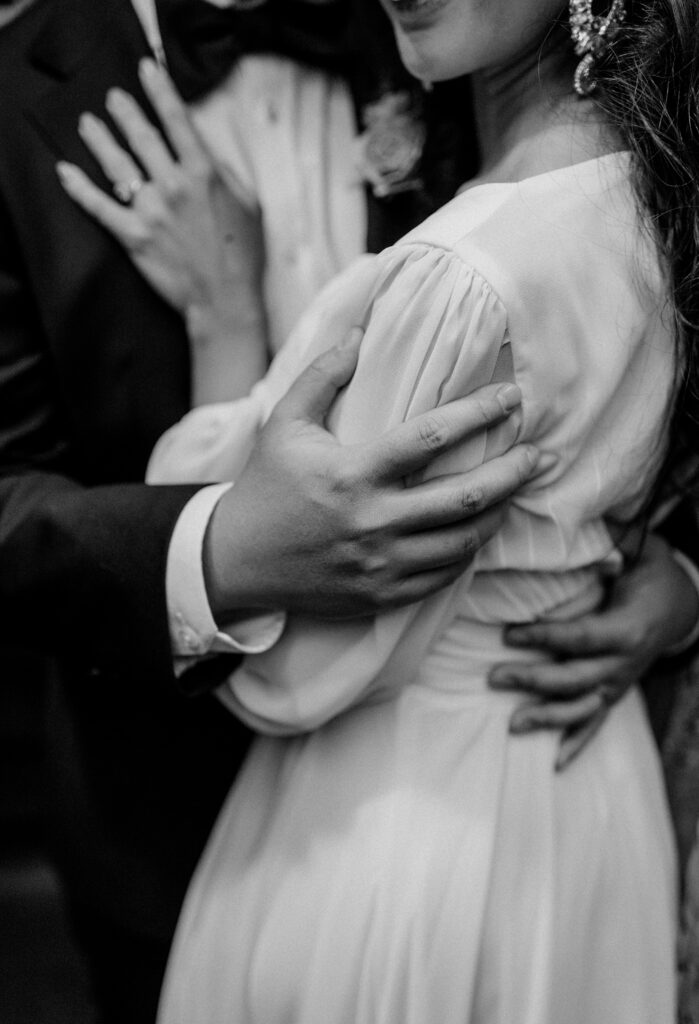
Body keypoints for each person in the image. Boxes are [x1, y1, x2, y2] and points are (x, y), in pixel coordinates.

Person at [121, 0, 699, 1017]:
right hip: (589, 811)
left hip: (408, 836)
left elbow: (297, 662)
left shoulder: (464, 273)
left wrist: (228, 334)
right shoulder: (649, 184)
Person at [0, 0, 537, 1020]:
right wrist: (222, 551)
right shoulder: (16, 88)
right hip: (162, 811)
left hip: (446, 808)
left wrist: (681, 575)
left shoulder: (453, 25)